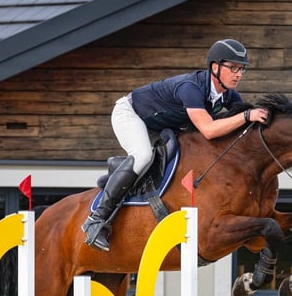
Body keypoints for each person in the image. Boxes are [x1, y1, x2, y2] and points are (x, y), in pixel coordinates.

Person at [82, 38, 270, 251]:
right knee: (143, 155)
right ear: (215, 67)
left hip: (161, 126)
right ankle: (96, 219)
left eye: (242, 69)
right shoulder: (190, 88)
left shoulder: (227, 95)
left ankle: (124, 178)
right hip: (131, 114)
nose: (238, 74)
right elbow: (208, 130)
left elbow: (243, 127)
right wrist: (247, 115)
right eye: (233, 68)